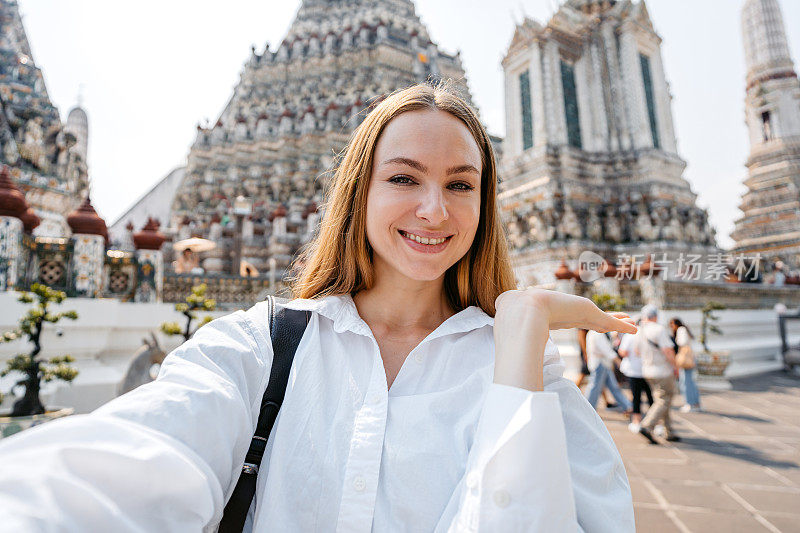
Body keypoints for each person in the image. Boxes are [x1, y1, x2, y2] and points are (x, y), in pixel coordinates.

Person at [0, 83, 636, 531]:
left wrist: (518, 355)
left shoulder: (527, 374)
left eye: (460, 185)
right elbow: (128, 461)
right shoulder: (259, 351)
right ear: (359, 194)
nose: (434, 210)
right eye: (405, 178)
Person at [635, 305, 680, 444]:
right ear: (655, 316)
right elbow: (668, 351)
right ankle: (646, 425)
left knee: (662, 399)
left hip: (647, 370)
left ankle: (669, 430)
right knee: (663, 400)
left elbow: (637, 352)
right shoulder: (658, 329)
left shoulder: (639, 331)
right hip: (662, 370)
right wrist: (676, 367)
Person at [585, 329, 633, 413]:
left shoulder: (598, 333)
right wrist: (617, 361)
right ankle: (588, 409)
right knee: (595, 388)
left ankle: (627, 406)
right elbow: (606, 350)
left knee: (613, 386)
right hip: (599, 364)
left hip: (603, 363)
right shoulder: (596, 333)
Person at [618, 321, 653, 433]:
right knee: (651, 397)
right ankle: (654, 421)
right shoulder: (648, 334)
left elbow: (622, 352)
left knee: (636, 397)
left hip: (633, 370)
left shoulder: (629, 336)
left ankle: (636, 422)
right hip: (647, 370)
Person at [669, 317, 701, 412]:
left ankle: (690, 403)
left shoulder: (680, 330)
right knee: (690, 381)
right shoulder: (684, 329)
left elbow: (682, 342)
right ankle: (695, 403)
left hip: (685, 358)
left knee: (685, 382)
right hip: (689, 358)